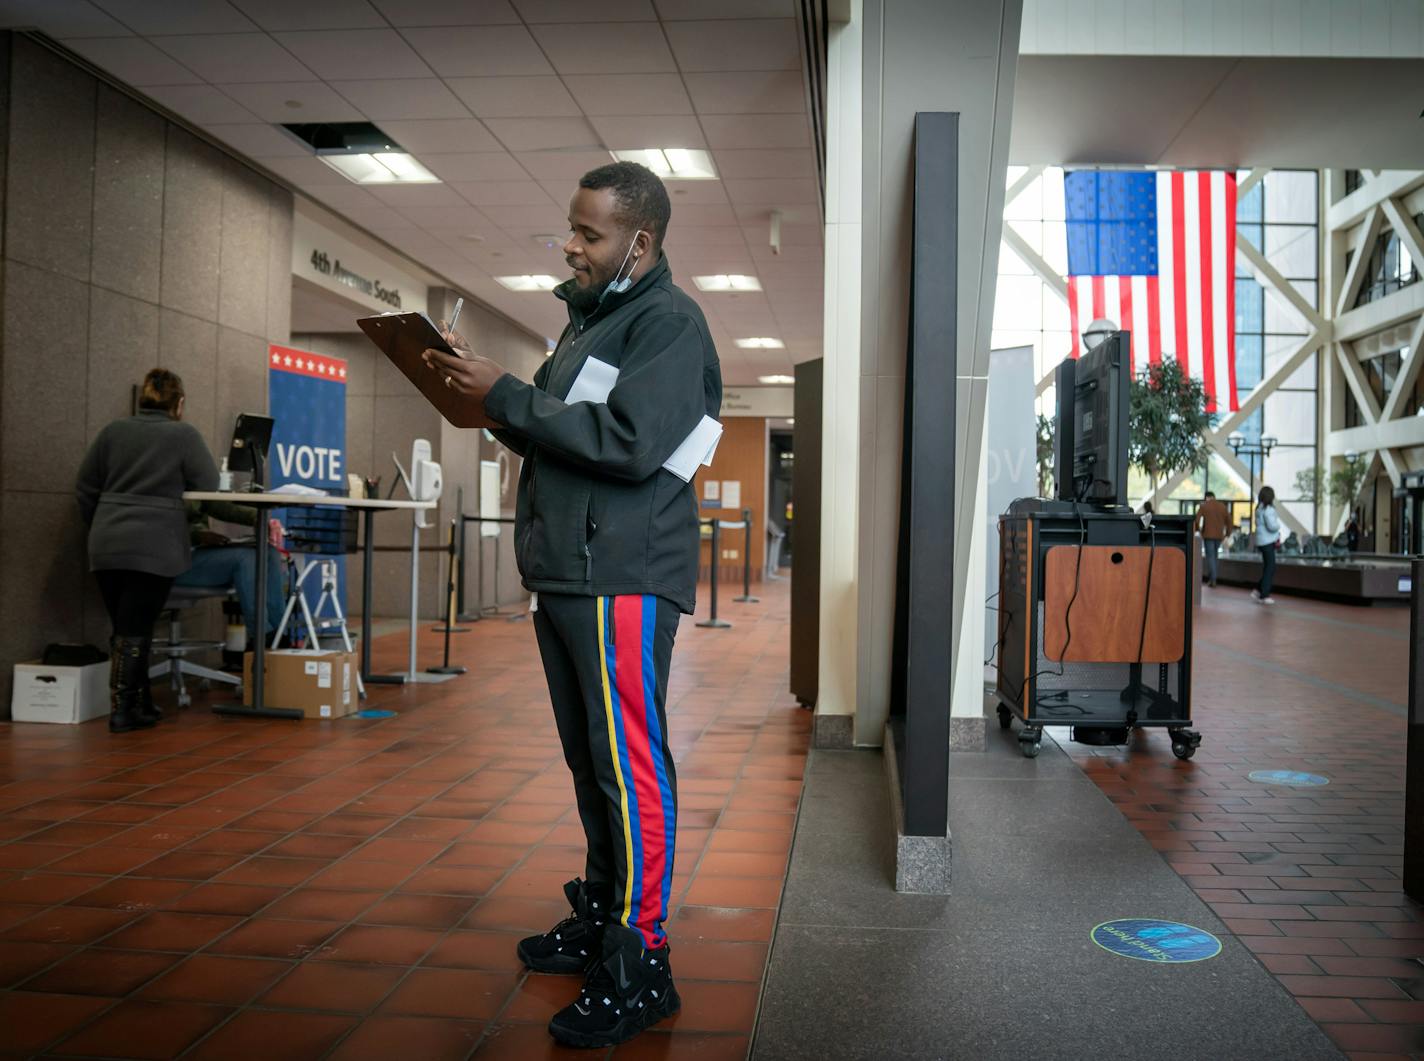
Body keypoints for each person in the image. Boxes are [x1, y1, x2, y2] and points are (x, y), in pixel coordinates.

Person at [421, 161, 720, 1048]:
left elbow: (627, 445)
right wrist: (487, 395)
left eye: (588, 233)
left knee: (628, 764)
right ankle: (603, 913)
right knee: (594, 763)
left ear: (641, 241)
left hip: (622, 575)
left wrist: (509, 395)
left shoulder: (667, 322)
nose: (570, 244)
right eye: (572, 227)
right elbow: (562, 431)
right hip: (567, 573)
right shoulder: (589, 326)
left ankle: (641, 959)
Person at [76, 370, 218, 731]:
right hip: (155, 544)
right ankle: (122, 710)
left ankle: (142, 703)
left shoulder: (112, 431)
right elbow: (209, 484)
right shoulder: (183, 434)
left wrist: (102, 523)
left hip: (106, 541)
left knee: (125, 627)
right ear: (179, 403)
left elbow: (86, 486)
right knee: (136, 626)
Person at [173, 499, 286, 649]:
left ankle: (280, 636)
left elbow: (211, 503)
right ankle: (262, 638)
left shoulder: (191, 480)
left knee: (269, 553)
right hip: (169, 560)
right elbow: (155, 526)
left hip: (196, 551)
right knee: (245, 558)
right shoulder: (157, 481)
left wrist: (258, 517)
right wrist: (197, 536)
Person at [1194, 490, 1232, 587]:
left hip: (1208, 535)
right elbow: (1229, 521)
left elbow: (1197, 521)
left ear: (1207, 497)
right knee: (1215, 556)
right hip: (1219, 536)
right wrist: (1227, 534)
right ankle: (1213, 578)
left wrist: (1199, 530)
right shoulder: (1222, 506)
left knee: (1210, 557)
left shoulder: (1204, 506)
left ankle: (1213, 580)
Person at [1252, 485, 1281, 605]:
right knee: (1271, 567)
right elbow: (1272, 526)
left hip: (1261, 541)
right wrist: (1278, 526)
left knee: (1268, 567)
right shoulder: (1268, 510)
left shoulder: (1258, 509)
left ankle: (1258, 590)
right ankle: (1264, 595)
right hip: (1268, 541)